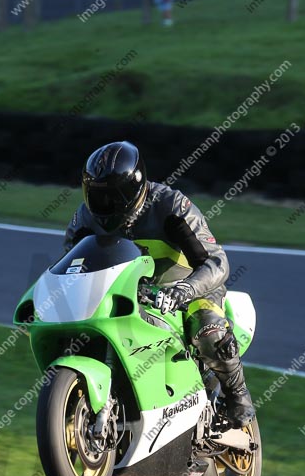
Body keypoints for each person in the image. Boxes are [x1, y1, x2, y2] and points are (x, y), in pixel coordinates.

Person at [64, 141, 256, 428]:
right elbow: (70, 268)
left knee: (209, 331)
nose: (106, 206)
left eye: (114, 197)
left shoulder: (172, 205)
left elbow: (216, 262)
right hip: (124, 294)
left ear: (135, 188)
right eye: (98, 196)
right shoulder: (84, 218)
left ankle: (238, 397)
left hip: (187, 288)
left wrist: (184, 290)